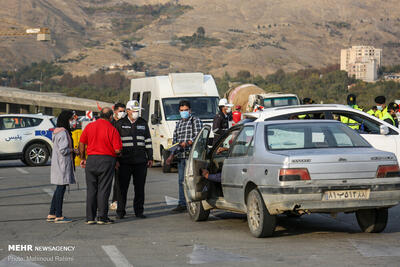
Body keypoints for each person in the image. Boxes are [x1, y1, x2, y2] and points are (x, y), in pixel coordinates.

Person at [79, 108, 122, 225]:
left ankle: (90, 217)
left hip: (91, 159)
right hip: (106, 160)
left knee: (91, 190)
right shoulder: (112, 129)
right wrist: (117, 156)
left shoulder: (89, 126)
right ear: (111, 117)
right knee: (103, 189)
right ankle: (102, 217)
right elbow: (117, 149)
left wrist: (83, 158)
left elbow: (82, 143)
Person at [115, 100, 153, 219]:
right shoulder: (120, 123)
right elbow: (115, 142)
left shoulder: (143, 123)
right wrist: (115, 159)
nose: (136, 113)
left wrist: (150, 157)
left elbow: (148, 141)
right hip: (124, 161)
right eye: (134, 111)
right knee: (122, 188)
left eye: (137, 111)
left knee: (140, 188)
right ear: (128, 111)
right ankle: (120, 212)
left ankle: (139, 211)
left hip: (140, 161)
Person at [169, 100, 203, 213]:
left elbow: (199, 137)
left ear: (190, 110)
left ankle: (194, 202)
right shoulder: (178, 124)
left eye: (186, 110)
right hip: (181, 156)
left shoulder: (195, 121)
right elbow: (175, 141)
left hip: (192, 156)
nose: (184, 112)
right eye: (182, 110)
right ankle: (182, 203)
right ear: (179, 111)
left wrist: (188, 143)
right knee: (181, 181)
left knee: (192, 180)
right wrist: (171, 155)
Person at [47, 110, 77, 223]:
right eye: (71, 119)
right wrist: (73, 150)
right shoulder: (63, 133)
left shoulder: (57, 131)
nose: (73, 121)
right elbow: (63, 150)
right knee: (61, 189)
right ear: (66, 120)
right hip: (62, 165)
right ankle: (59, 215)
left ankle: (52, 213)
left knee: (58, 189)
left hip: (58, 164)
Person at [109, 103, 126, 211]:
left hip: (120, 155)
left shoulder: (124, 123)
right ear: (114, 111)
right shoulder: (110, 123)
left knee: (118, 181)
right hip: (109, 155)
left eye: (123, 111)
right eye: (120, 111)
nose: (122, 113)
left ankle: (115, 201)